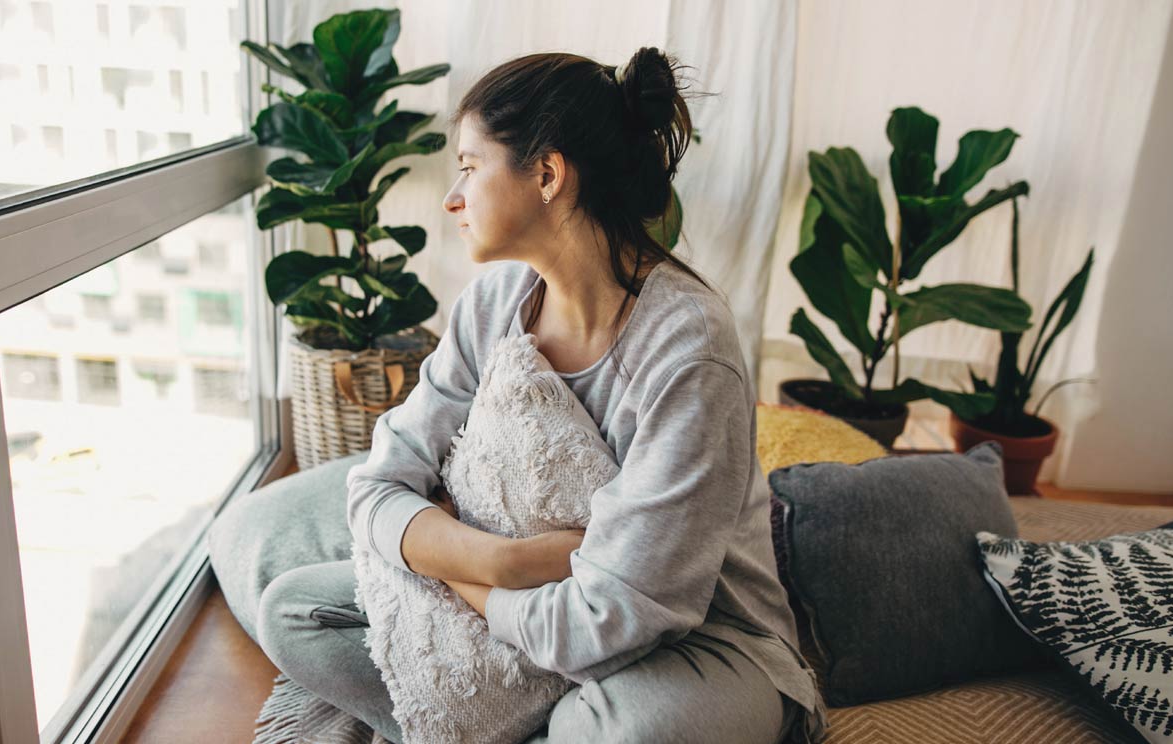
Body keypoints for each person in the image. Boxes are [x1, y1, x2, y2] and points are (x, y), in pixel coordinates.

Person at [256, 47, 829, 744]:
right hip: (519, 604)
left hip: (692, 645)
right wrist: (505, 563)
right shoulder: (493, 304)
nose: (452, 197)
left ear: (548, 175)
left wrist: (466, 580)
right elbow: (376, 486)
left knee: (617, 733)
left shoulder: (689, 349)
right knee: (293, 610)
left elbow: (613, 619)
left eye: (469, 167)